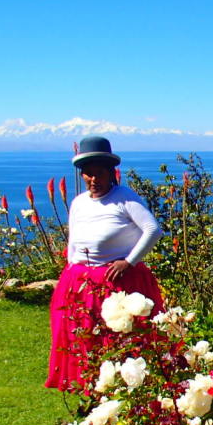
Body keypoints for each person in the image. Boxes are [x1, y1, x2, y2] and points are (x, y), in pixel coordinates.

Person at [45, 135, 164, 390]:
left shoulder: (124, 198)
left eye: (99, 173)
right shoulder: (79, 203)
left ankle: (123, 383)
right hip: (79, 279)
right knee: (82, 333)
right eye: (88, 174)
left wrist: (129, 262)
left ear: (111, 172)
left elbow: (153, 230)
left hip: (116, 280)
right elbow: (74, 240)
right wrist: (70, 270)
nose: (93, 180)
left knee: (116, 336)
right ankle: (86, 382)